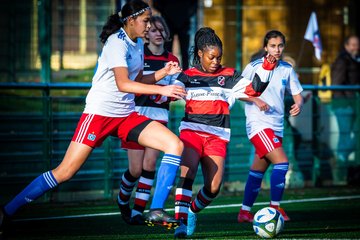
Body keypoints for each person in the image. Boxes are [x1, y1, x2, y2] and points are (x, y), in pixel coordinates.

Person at [0, 0, 187, 236]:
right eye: (146, 20)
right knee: (65, 171)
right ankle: (6, 211)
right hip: (99, 114)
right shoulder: (115, 44)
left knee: (174, 144)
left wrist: (163, 74)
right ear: (131, 21)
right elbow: (123, 84)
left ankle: (156, 209)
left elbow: (137, 82)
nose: (150, 25)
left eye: (150, 20)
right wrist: (163, 89)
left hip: (125, 115)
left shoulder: (138, 43)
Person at [172, 27, 278, 238]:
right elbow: (167, 94)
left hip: (217, 136)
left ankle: (192, 211)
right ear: (200, 54)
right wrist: (167, 88)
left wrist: (268, 65)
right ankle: (180, 224)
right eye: (211, 57)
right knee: (188, 174)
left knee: (213, 188)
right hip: (191, 131)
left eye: (219, 57)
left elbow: (255, 89)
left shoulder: (229, 76)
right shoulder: (186, 76)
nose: (215, 61)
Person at [117, 15, 182, 226]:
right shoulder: (138, 54)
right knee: (135, 169)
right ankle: (122, 199)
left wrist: (170, 94)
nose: (157, 33)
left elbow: (174, 89)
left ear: (167, 33)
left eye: (161, 30)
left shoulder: (172, 60)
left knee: (150, 164)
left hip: (158, 117)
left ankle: (138, 211)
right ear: (146, 34)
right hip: (135, 115)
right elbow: (130, 83)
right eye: (153, 30)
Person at [236, 30, 303, 223]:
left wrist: (298, 105)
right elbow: (237, 92)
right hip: (258, 125)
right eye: (273, 46)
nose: (277, 49)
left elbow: (298, 94)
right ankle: (276, 208)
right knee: (281, 163)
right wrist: (256, 100)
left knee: (257, 170)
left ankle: (244, 212)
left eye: (280, 45)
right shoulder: (253, 66)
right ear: (265, 47)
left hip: (277, 127)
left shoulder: (286, 69)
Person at [330, 35, 360, 182]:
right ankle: (340, 164)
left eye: (357, 45)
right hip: (344, 105)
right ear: (347, 46)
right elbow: (336, 84)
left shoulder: (355, 60)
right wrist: (346, 102)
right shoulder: (342, 60)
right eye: (353, 45)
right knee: (345, 135)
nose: (356, 47)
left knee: (351, 135)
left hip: (353, 104)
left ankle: (341, 162)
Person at [152, 0, 198, 69]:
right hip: (169, 21)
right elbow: (156, 3)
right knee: (168, 50)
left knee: (185, 51)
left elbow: (194, 5)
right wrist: (166, 13)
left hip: (184, 22)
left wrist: (186, 14)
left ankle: (186, 73)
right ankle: (167, 70)